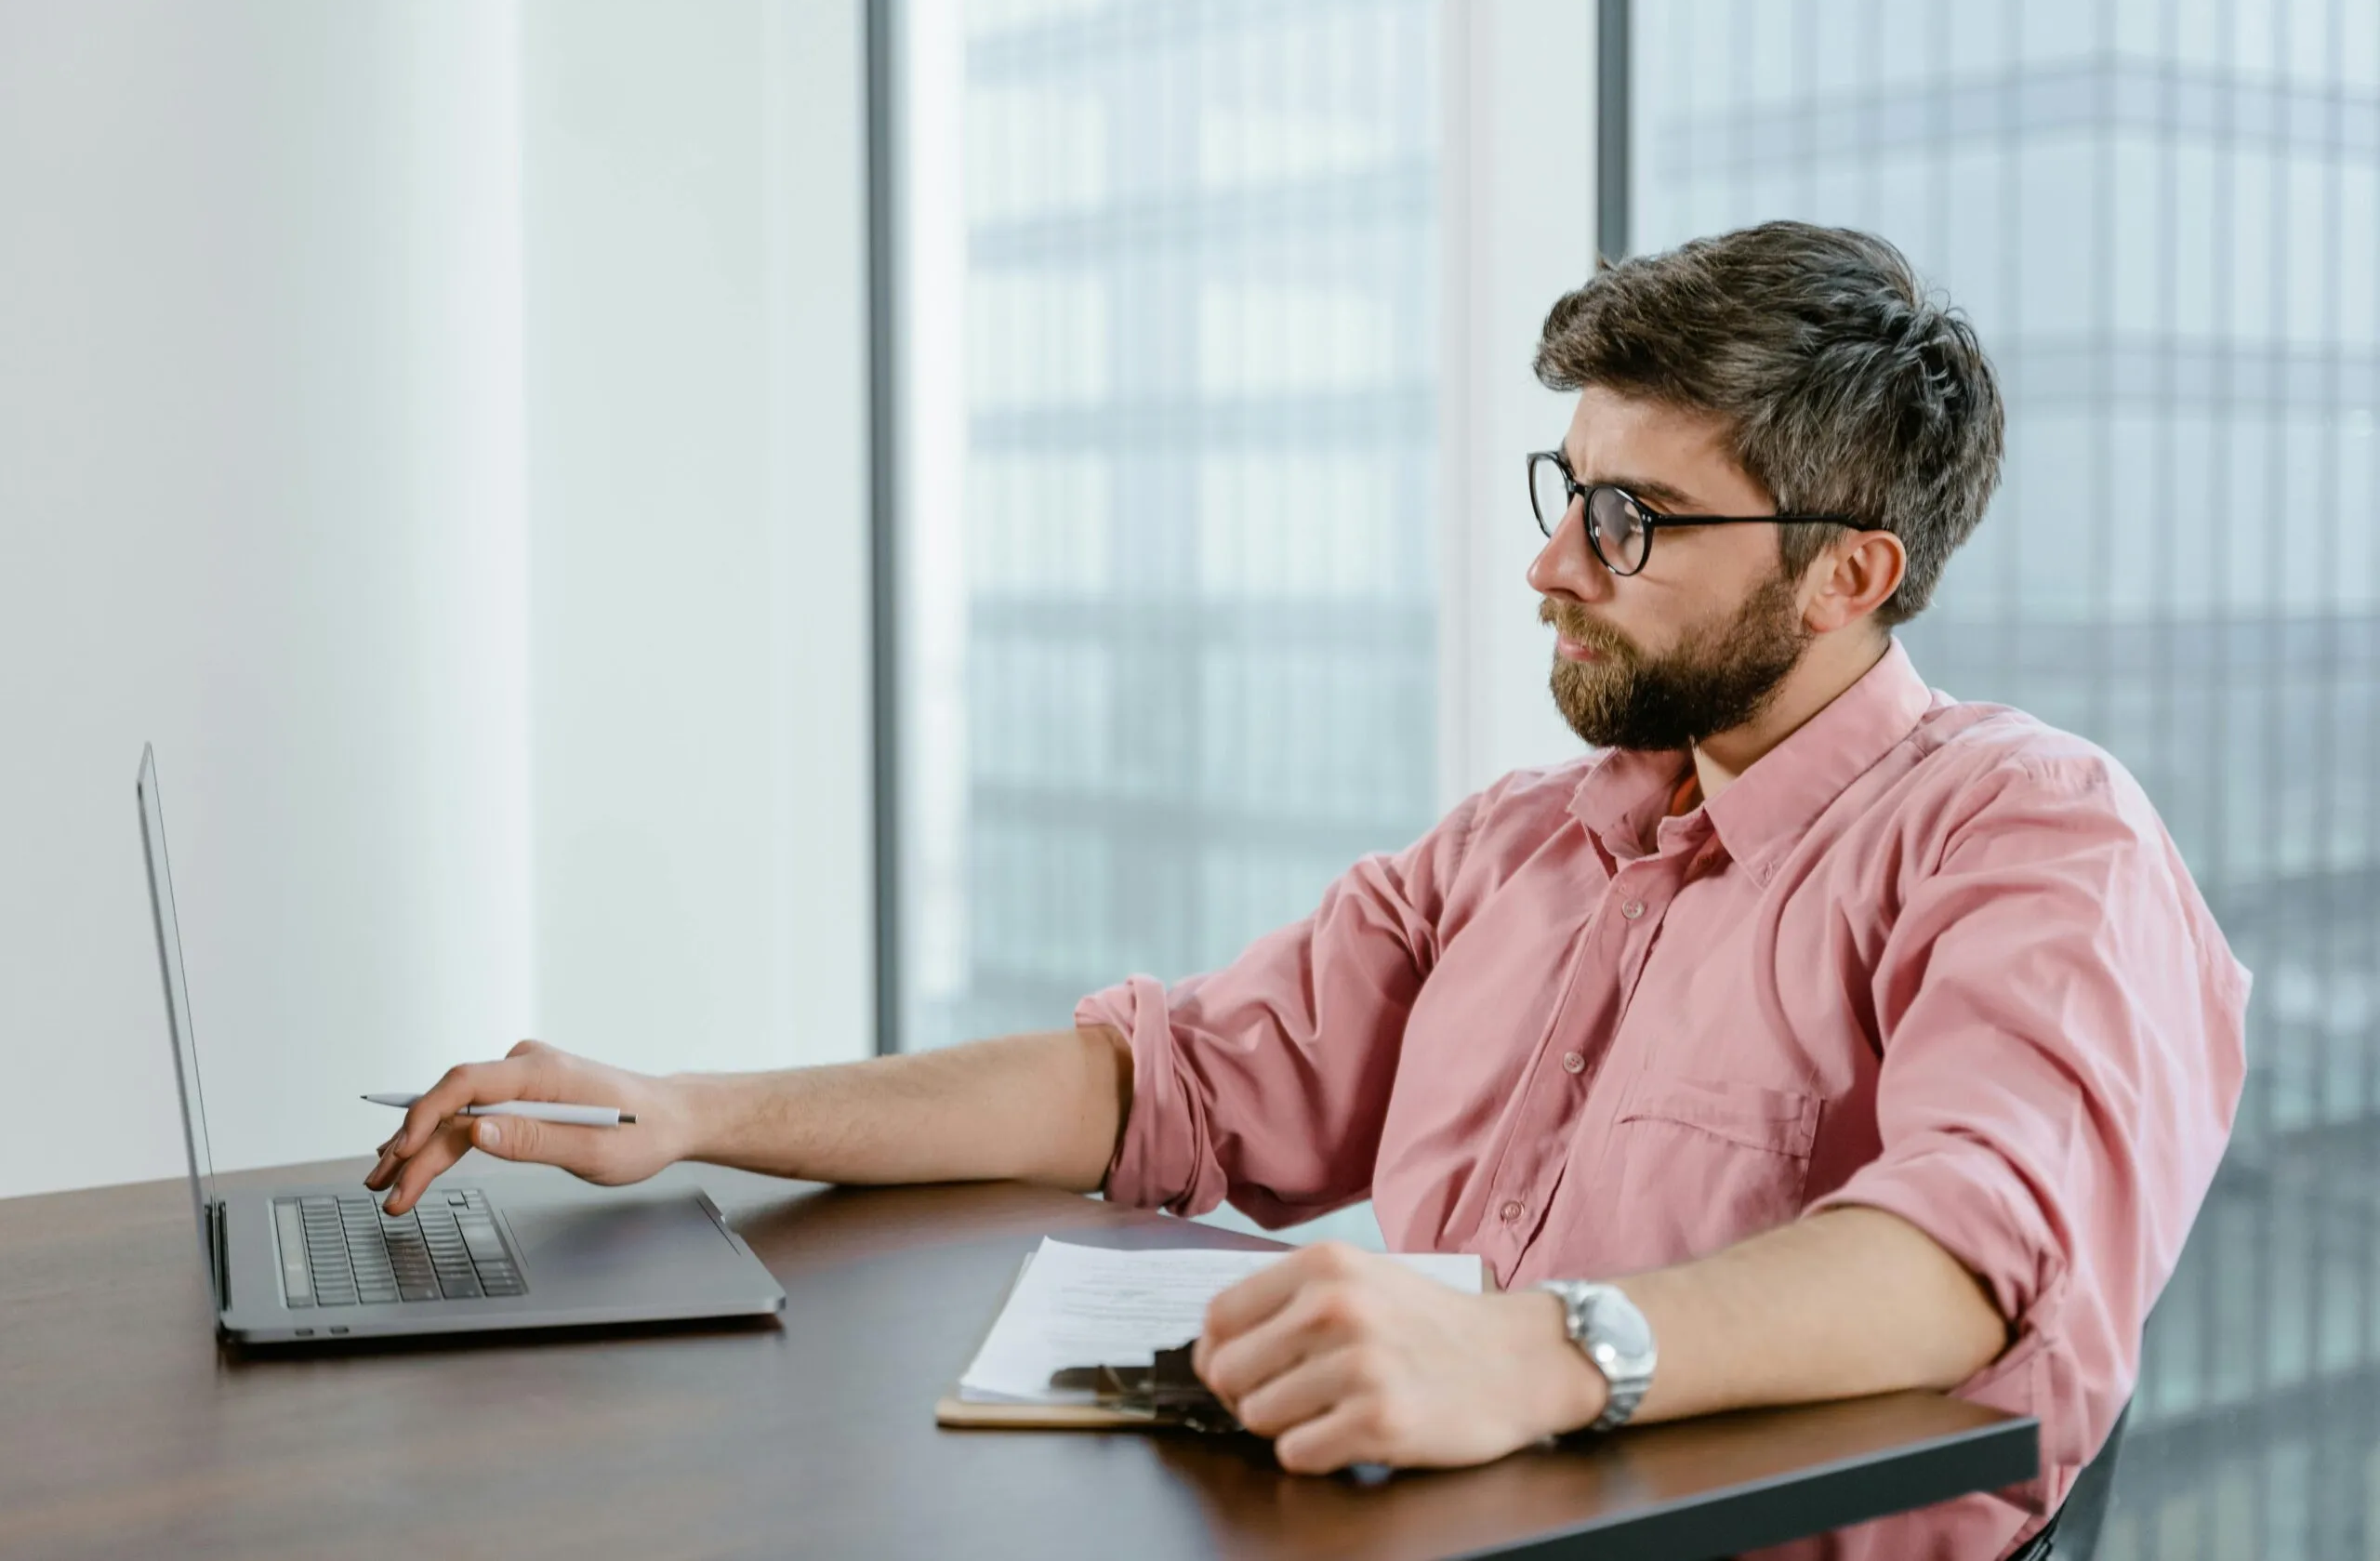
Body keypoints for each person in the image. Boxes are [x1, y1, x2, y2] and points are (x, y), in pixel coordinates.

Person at [369, 221, 2245, 1560]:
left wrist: (1523, 1355)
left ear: (1844, 579)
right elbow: (1163, 1080)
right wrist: (699, 1111)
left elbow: (1959, 1260)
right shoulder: (1524, 839)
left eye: (1627, 519)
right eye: (1563, 486)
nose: (1548, 562)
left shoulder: (2029, 839)